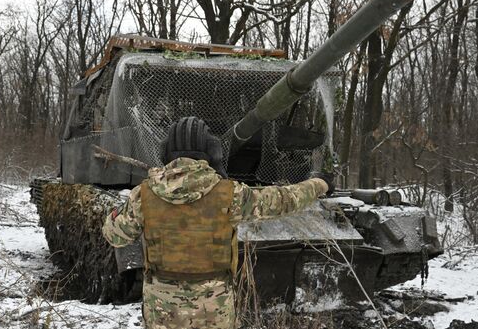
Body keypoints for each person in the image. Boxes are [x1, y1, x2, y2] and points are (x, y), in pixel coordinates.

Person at [102, 117, 332, 329]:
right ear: (212, 151)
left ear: (165, 153)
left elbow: (114, 235)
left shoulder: (144, 195)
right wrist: (319, 184)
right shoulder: (230, 194)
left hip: (161, 309)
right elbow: (284, 200)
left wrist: (118, 212)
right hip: (214, 309)